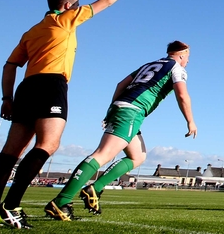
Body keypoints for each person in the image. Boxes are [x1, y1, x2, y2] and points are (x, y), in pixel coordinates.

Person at [0, 0, 141, 229]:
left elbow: (10, 65)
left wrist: (6, 98)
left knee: (11, 150)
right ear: (66, 6)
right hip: (51, 85)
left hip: (25, 88)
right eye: (75, 4)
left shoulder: (32, 31)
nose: (78, 8)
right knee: (48, 144)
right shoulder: (65, 20)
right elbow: (105, 2)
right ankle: (11, 206)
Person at [44, 41, 196, 220]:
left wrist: (112, 108)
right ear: (181, 55)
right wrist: (190, 121)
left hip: (123, 106)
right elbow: (182, 94)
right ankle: (61, 201)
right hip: (132, 110)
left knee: (138, 156)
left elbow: (120, 84)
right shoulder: (177, 68)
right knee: (102, 154)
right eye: (188, 57)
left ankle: (95, 188)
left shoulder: (149, 65)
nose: (188, 61)